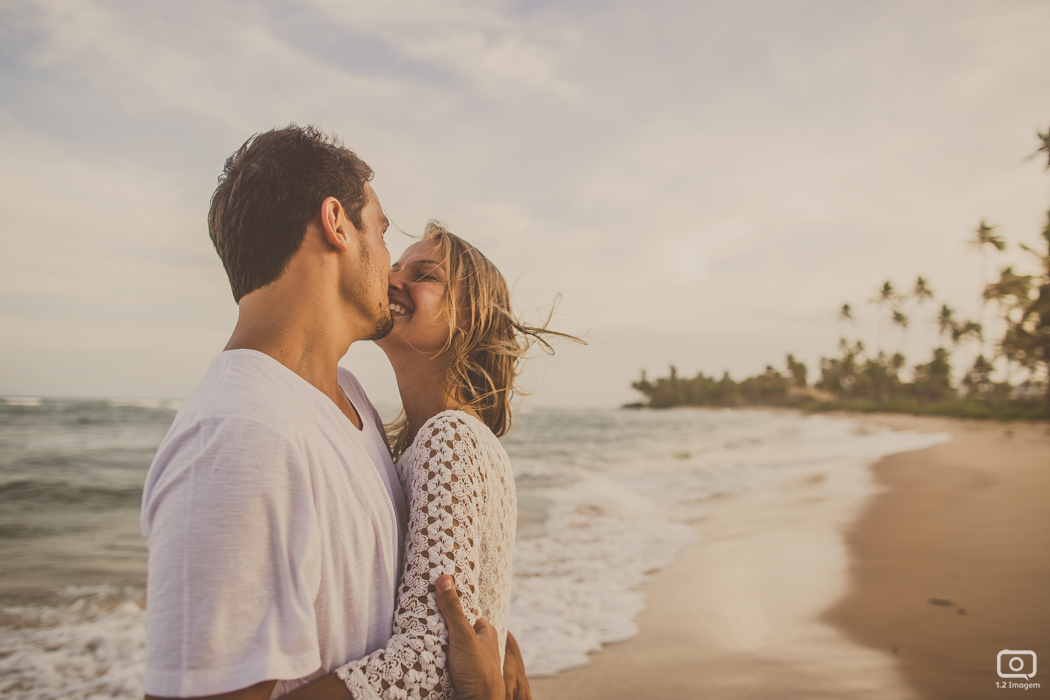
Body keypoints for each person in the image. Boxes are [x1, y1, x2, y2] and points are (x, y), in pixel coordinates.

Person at [140, 126, 511, 700]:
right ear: (337, 223)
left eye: (420, 271)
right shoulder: (238, 438)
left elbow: (422, 617)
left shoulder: (351, 401)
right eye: (382, 233)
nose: (389, 267)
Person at [286, 222, 572, 700]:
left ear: (468, 320)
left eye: (424, 275)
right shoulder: (440, 440)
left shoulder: (449, 437)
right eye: (396, 265)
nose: (392, 277)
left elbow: (425, 666)